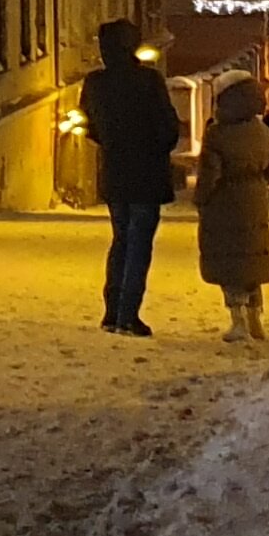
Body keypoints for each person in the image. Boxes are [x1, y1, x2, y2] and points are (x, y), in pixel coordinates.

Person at [78, 20, 178, 338]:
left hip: (115, 172)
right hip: (146, 173)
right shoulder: (148, 80)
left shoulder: (95, 83)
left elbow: (90, 125)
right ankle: (128, 315)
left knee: (120, 241)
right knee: (138, 245)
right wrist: (158, 147)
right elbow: (168, 128)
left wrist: (111, 142)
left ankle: (111, 311)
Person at [195, 71, 269, 342]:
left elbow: (211, 173)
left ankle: (238, 320)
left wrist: (201, 199)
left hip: (225, 202)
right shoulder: (262, 130)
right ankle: (256, 319)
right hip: (255, 199)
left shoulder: (217, 133)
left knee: (230, 262)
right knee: (252, 260)